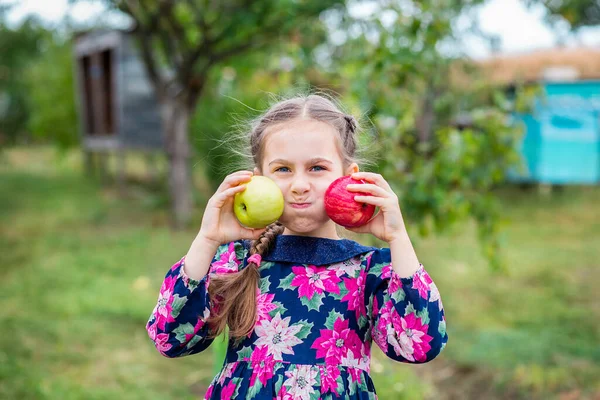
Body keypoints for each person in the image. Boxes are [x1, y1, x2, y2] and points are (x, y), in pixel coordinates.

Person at [146, 94, 448, 399]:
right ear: (258, 180)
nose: (299, 185)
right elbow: (171, 338)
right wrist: (207, 240)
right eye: (283, 170)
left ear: (349, 178)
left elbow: (419, 346)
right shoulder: (239, 259)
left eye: (317, 168)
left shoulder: (369, 269)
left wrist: (399, 238)